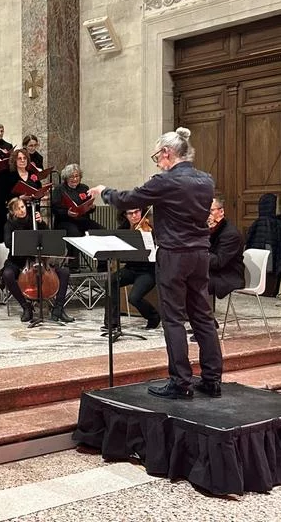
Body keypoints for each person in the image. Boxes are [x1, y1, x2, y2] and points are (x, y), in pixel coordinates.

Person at [88, 127, 222, 400]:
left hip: (174, 255)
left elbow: (128, 199)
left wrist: (105, 192)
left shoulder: (166, 181)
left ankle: (180, 382)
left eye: (158, 157)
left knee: (172, 318)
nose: (158, 163)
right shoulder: (206, 180)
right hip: (200, 254)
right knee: (202, 318)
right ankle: (212, 379)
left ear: (167, 153)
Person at [2, 197, 73, 324]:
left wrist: (41, 223)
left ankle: (58, 308)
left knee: (64, 272)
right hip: (18, 262)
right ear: (13, 212)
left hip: (41, 261)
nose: (22, 210)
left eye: (23, 207)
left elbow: (48, 238)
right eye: (18, 209)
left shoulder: (34, 220)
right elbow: (8, 243)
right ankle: (26, 307)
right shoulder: (9, 225)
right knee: (7, 275)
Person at [106, 208, 160, 330]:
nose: (135, 216)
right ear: (125, 215)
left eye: (137, 212)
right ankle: (112, 322)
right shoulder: (122, 230)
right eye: (130, 213)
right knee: (111, 281)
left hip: (148, 270)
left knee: (134, 298)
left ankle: (153, 316)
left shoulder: (151, 228)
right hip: (131, 268)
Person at [52, 164, 104, 272]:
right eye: (72, 177)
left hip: (83, 220)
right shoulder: (59, 189)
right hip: (65, 221)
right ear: (66, 178)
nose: (75, 179)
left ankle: (103, 264)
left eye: (77, 176)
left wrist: (91, 207)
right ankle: (73, 265)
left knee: (101, 231)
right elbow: (54, 209)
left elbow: (88, 205)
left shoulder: (84, 188)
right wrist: (67, 212)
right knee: (74, 233)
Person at [208, 196, 245, 300]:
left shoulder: (231, 234)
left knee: (192, 282)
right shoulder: (211, 229)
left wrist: (199, 253)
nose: (207, 215)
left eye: (211, 211)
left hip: (227, 276)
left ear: (221, 211)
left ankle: (199, 315)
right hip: (214, 272)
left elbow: (218, 262)